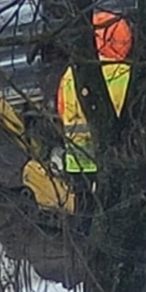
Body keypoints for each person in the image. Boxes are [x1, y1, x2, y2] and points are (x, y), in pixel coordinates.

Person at [55, 11, 138, 189]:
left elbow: (61, 112)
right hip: (126, 163)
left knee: (85, 214)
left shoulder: (71, 75)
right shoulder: (130, 75)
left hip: (79, 165)